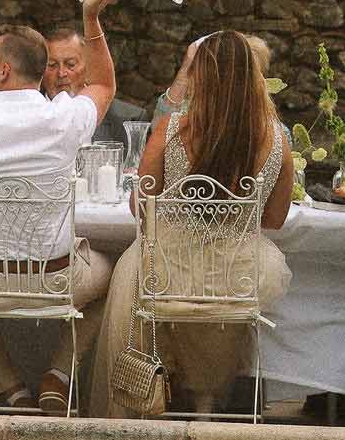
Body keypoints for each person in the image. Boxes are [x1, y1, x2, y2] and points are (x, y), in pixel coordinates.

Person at [0, 0, 117, 415]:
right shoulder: (63, 118)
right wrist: (91, 21)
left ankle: (11, 389)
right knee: (118, 274)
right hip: (57, 280)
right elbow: (104, 84)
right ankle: (59, 375)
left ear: (3, 71)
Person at [92, 30, 294, 418]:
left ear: (199, 75)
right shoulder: (277, 140)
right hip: (238, 272)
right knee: (217, 301)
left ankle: (146, 400)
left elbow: (141, 205)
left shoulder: (170, 131)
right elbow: (275, 218)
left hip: (168, 269)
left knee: (140, 278)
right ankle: (206, 402)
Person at [43, 25, 148, 147]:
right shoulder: (25, 116)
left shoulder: (128, 119)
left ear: (88, 65)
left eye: (70, 64)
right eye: (52, 65)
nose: (61, 73)